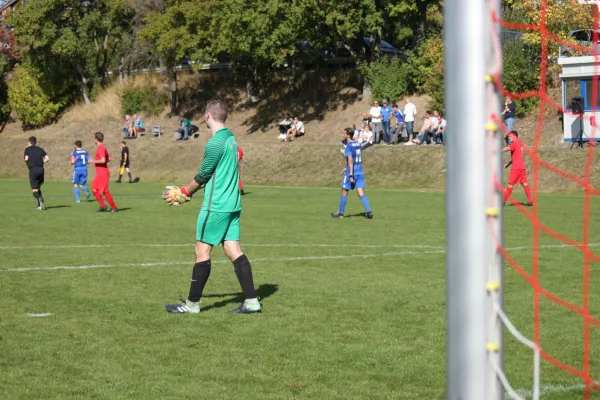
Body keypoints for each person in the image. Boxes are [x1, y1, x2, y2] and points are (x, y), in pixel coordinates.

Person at [164, 100, 261, 314]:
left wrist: (184, 193)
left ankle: (191, 305)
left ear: (208, 116)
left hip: (216, 206)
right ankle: (252, 302)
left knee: (201, 251)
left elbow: (203, 175)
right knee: (232, 249)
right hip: (233, 204)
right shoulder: (231, 138)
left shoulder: (216, 142)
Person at [331, 128, 373, 219]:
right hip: (359, 171)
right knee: (361, 192)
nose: (343, 135)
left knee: (344, 191)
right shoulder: (357, 144)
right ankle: (369, 211)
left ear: (347, 135)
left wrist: (350, 174)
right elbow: (354, 159)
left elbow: (350, 160)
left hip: (352, 172)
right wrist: (346, 168)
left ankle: (340, 213)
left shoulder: (348, 146)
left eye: (344, 133)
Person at [89, 132, 118, 212]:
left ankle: (114, 207)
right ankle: (103, 205)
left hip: (103, 173)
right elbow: (109, 159)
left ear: (96, 139)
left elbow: (103, 160)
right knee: (94, 189)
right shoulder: (102, 147)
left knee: (105, 191)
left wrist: (93, 161)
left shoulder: (101, 147)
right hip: (100, 173)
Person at [503, 131, 532, 206]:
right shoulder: (520, 143)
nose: (509, 138)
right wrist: (508, 164)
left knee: (510, 184)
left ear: (515, 136)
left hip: (516, 168)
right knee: (524, 183)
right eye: (509, 137)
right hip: (522, 167)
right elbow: (516, 157)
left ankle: (502, 202)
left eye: (510, 136)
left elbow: (507, 148)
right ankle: (530, 201)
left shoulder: (515, 143)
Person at [24, 136, 49, 210]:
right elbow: (47, 158)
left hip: (33, 169)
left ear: (29, 142)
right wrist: (41, 162)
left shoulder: (27, 149)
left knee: (34, 189)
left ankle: (40, 198)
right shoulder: (40, 149)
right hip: (41, 169)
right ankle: (40, 206)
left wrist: (28, 164)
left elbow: (26, 159)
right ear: (35, 142)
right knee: (38, 187)